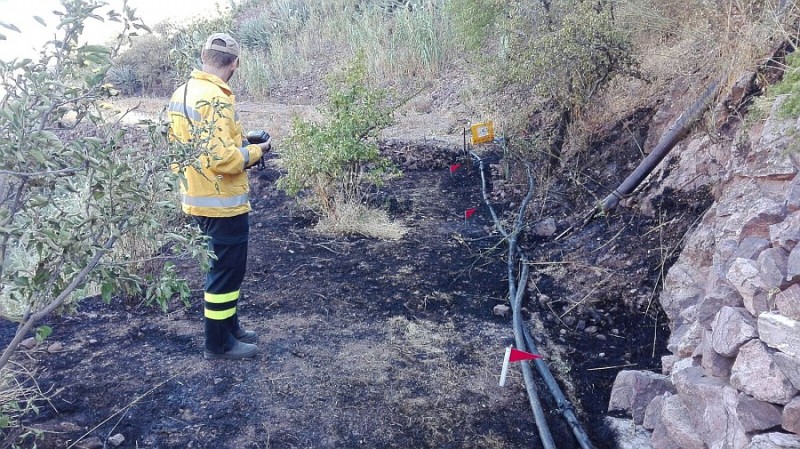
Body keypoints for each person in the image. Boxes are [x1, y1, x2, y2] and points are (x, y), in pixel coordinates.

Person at [167, 33, 271, 360]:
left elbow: (192, 149)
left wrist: (241, 143)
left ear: (203, 56)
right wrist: (257, 150)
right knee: (225, 272)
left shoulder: (182, 92)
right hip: (222, 202)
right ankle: (218, 344)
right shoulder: (216, 97)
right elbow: (222, 159)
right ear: (235, 63)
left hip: (196, 198)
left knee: (226, 269)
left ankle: (231, 328)